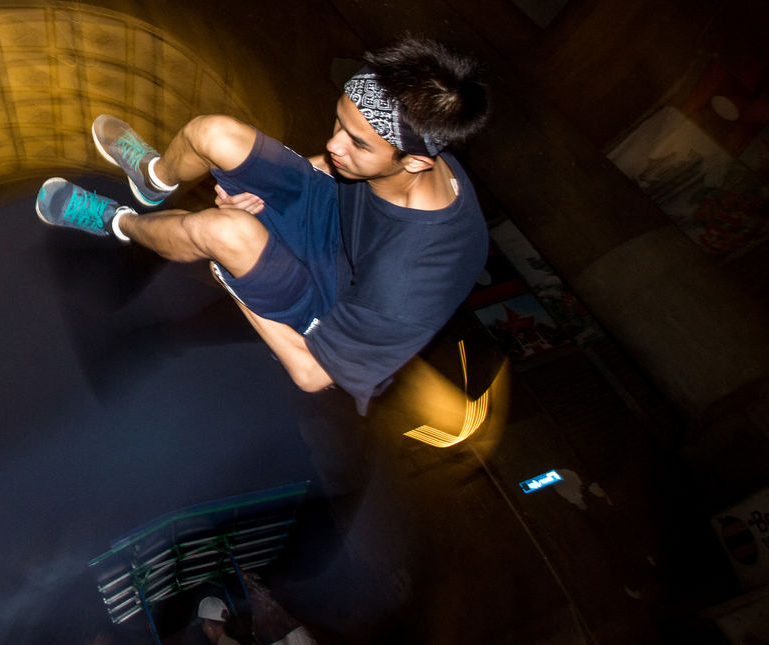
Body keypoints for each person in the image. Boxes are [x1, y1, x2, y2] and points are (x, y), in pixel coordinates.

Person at [35, 37, 490, 413]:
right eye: (339, 122)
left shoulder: (408, 284)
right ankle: (154, 180)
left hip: (328, 301)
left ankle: (118, 222)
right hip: (332, 212)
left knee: (223, 232)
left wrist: (232, 277)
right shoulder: (408, 146)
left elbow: (311, 374)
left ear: (414, 163)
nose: (334, 143)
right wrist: (277, 185)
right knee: (212, 133)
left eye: (357, 143)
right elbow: (337, 163)